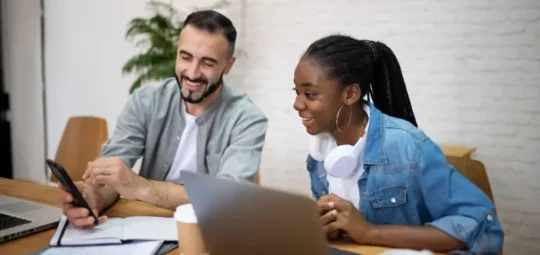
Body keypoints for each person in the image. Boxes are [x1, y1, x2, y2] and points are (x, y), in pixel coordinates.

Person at [292, 34, 503, 254]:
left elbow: (481, 223)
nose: (297, 104)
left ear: (350, 94)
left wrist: (368, 232)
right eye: (296, 92)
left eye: (310, 94)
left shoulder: (408, 148)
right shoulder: (318, 155)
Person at [59, 10, 268, 228]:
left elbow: (228, 200)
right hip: (145, 224)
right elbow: (111, 179)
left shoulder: (248, 119)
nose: (193, 73)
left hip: (208, 232)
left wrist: (141, 187)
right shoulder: (146, 101)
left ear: (228, 65)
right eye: (185, 57)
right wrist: (93, 198)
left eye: (207, 63)